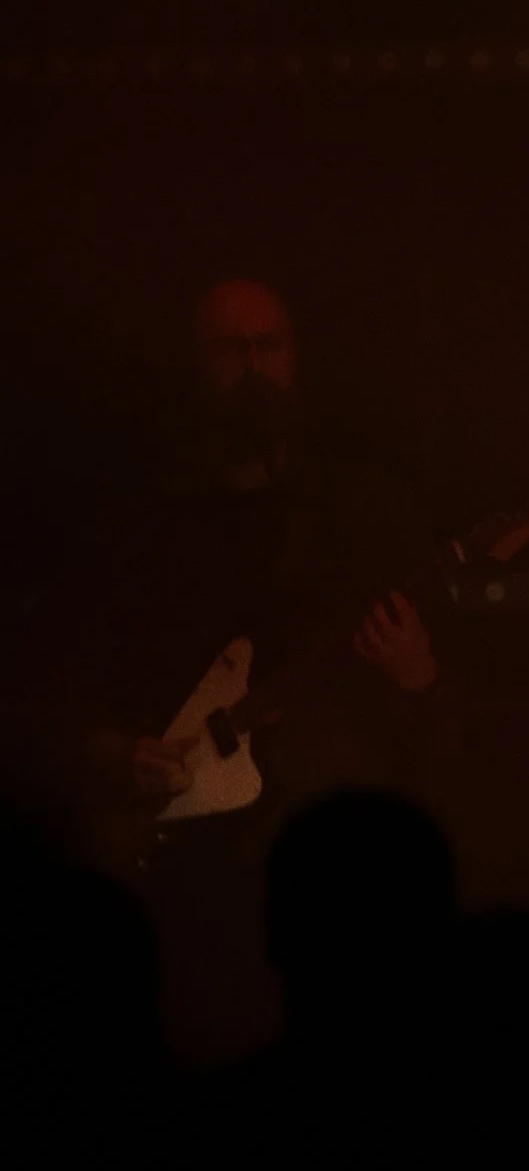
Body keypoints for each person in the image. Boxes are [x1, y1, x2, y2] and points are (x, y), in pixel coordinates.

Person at [43, 277, 457, 1059]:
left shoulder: (364, 512)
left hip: (333, 898)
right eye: (230, 349)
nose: (254, 367)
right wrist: (112, 752)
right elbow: (54, 684)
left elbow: (448, 739)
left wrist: (418, 673)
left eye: (270, 345)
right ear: (195, 367)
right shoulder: (138, 525)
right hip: (184, 887)